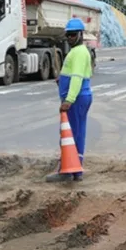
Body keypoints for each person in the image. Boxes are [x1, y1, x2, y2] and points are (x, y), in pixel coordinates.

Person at [47, 18, 93, 182]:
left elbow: (77, 77)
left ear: (80, 34)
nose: (70, 38)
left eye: (73, 35)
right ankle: (75, 169)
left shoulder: (79, 52)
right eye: (68, 35)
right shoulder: (77, 52)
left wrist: (69, 99)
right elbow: (72, 74)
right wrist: (62, 80)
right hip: (79, 98)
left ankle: (67, 171)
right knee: (76, 133)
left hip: (77, 99)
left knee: (70, 135)